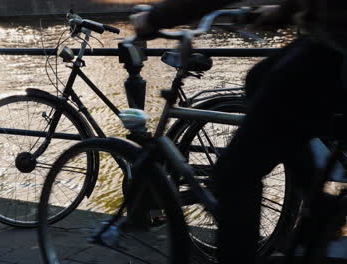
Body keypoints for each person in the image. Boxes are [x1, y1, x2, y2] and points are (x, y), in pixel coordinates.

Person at [131, 1, 347, 263]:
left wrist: (155, 19)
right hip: (329, 43)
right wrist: (281, 13)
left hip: (335, 51)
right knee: (260, 76)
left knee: (233, 174)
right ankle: (318, 202)